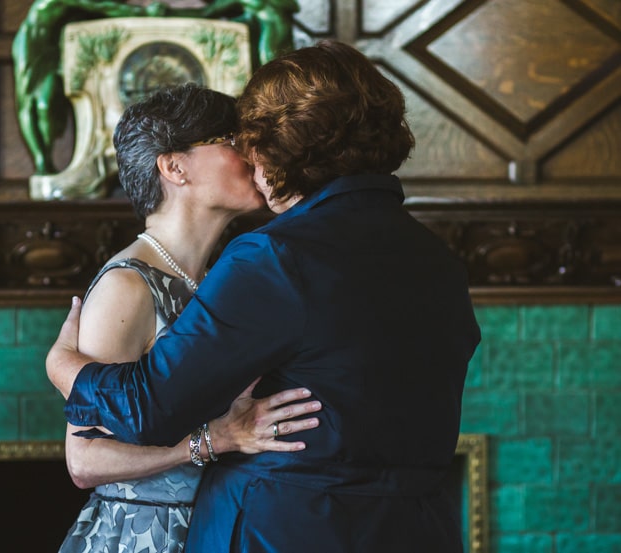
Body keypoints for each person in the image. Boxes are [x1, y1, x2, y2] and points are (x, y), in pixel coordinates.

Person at [48, 40, 481, 552]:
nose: (247, 158)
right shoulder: (435, 257)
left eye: (248, 140)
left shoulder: (275, 257)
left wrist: (63, 366)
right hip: (417, 529)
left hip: (287, 530)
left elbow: (151, 405)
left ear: (283, 145)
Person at [52, 83, 322, 553]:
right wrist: (213, 440)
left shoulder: (221, 278)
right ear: (174, 166)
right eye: (233, 141)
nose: (253, 154)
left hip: (217, 527)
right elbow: (84, 459)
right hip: (142, 535)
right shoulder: (127, 286)